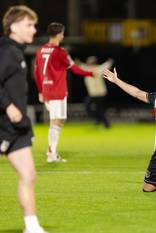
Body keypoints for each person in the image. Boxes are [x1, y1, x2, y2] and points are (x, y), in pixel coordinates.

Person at [0, 5, 48, 233]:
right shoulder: (6, 51)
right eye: (29, 24)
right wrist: (8, 105)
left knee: (28, 174)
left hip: (16, 127)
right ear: (14, 26)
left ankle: (32, 227)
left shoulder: (17, 52)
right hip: (3, 125)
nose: (34, 29)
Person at [34, 22, 93, 163]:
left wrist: (40, 91)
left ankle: (52, 152)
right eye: (62, 33)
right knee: (56, 121)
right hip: (57, 90)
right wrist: (91, 73)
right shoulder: (60, 52)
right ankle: (51, 153)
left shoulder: (40, 50)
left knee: (58, 120)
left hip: (47, 90)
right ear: (60, 34)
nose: (63, 35)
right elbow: (74, 69)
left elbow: (36, 72)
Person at [79, 56, 113, 128]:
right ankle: (99, 120)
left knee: (98, 110)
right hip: (93, 93)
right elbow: (79, 65)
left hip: (100, 93)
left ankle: (106, 124)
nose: (89, 63)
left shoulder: (99, 68)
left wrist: (109, 61)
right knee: (88, 107)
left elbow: (106, 65)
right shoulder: (87, 68)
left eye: (90, 62)